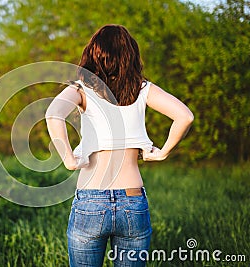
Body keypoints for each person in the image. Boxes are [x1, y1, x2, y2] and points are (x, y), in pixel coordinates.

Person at [45, 24, 194, 267]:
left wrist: (69, 159)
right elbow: (185, 116)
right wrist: (162, 152)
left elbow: (53, 114)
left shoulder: (81, 88)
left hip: (90, 201)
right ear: (131, 55)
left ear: (94, 53)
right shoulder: (142, 88)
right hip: (132, 201)